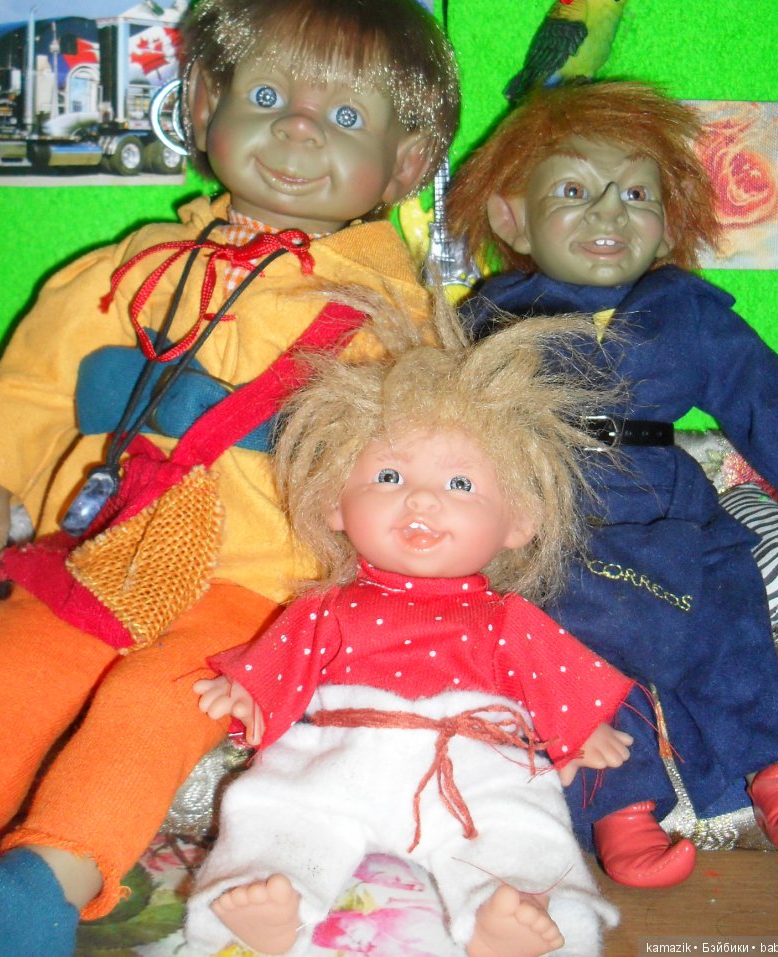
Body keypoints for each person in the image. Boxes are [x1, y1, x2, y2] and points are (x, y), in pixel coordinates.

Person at [0, 0, 459, 957]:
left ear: (406, 166)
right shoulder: (127, 270)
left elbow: (424, 457)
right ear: (202, 105)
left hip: (256, 585)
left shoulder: (389, 313)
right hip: (97, 553)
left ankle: (49, 875)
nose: (297, 130)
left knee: (155, 708)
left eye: (346, 117)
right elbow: (36, 382)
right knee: (2, 672)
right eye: (267, 97)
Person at [184, 296, 645, 957]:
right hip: (339, 752)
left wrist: (578, 729)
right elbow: (282, 662)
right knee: (277, 810)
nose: (422, 497)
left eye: (461, 484)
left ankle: (515, 914)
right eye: (389, 475)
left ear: (518, 521)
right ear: (337, 503)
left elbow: (553, 679)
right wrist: (249, 690)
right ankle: (266, 897)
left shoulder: (507, 618)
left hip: (474, 760)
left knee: (520, 824)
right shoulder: (326, 607)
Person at [448, 79, 778, 888]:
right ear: (512, 217)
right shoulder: (489, 319)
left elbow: (766, 397)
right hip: (550, 513)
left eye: (637, 194)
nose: (609, 212)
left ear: (669, 223)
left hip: (673, 503)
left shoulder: (688, 309)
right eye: (573, 191)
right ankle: (621, 814)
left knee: (730, 617)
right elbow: (436, 421)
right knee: (569, 653)